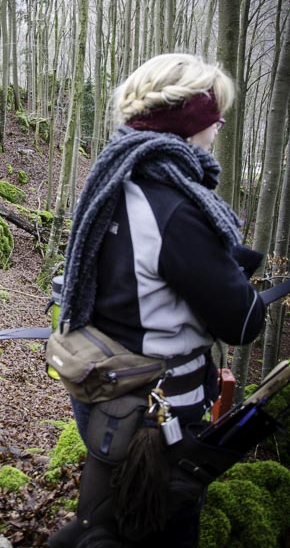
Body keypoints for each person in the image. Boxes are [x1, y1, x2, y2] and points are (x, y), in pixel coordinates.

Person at [48, 53, 266, 548]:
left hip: (101, 392)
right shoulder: (177, 207)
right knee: (162, 529)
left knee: (111, 519)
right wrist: (230, 272)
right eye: (215, 117)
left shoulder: (112, 179)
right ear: (190, 121)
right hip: (158, 413)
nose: (219, 128)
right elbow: (243, 324)